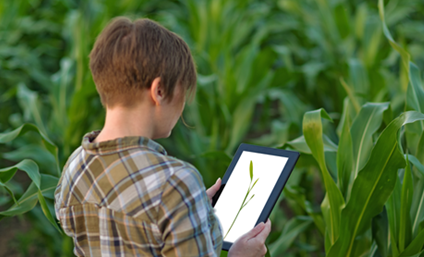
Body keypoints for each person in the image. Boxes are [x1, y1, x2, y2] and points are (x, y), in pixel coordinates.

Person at [54, 17, 271, 257]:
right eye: (183, 90)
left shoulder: (74, 167)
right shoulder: (175, 184)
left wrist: (191, 211)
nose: (183, 104)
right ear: (158, 90)